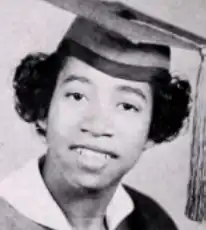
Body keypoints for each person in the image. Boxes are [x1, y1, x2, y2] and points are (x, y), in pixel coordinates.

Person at [0, 1, 191, 230]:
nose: (97, 125)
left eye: (127, 106)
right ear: (43, 109)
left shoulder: (151, 221)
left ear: (152, 130)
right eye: (77, 96)